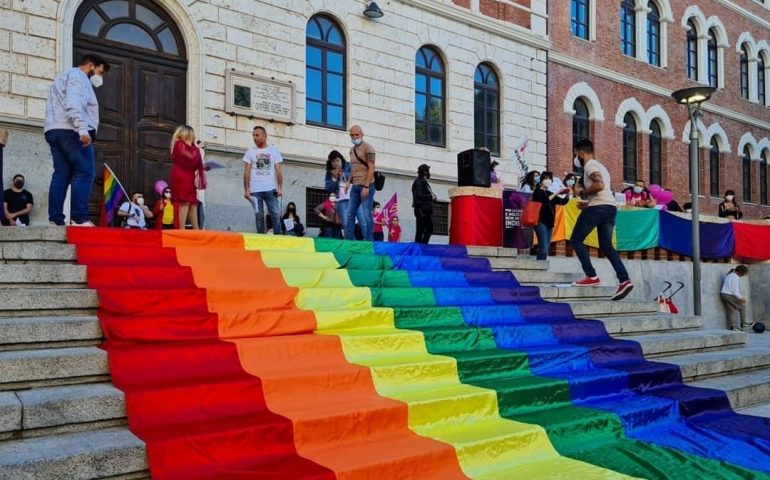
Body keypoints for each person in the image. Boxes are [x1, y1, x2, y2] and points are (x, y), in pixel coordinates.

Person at [44, 53, 110, 226]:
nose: (100, 77)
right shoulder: (79, 77)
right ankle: (79, 218)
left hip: (54, 129)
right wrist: (82, 129)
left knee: (61, 174)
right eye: (100, 72)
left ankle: (55, 219)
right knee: (85, 172)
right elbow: (74, 102)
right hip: (72, 130)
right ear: (90, 66)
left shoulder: (62, 77)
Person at [570, 139, 633, 301]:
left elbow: (599, 185)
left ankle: (591, 276)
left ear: (581, 153)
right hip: (609, 208)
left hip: (598, 208)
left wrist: (583, 192)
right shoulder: (602, 167)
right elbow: (607, 192)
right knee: (606, 245)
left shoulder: (590, 165)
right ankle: (624, 280)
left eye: (576, 154)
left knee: (576, 239)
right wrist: (587, 203)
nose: (576, 158)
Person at [243, 126, 283, 234]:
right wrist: (246, 190)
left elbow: (278, 170)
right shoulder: (250, 152)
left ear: (264, 136)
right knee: (258, 216)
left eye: (257, 135)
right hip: (255, 191)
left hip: (270, 189)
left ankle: (278, 239)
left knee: (275, 214)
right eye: (253, 135)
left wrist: (279, 188)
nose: (254, 138)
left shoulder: (273, 151)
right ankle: (261, 239)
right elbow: (246, 172)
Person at [170, 125, 206, 230]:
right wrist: (198, 149)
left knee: (193, 203)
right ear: (187, 134)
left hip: (189, 176)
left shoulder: (192, 148)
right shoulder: (179, 144)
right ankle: (182, 229)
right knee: (184, 202)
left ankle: (196, 229)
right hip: (182, 175)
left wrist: (204, 167)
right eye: (192, 134)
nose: (194, 136)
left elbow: (194, 162)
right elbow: (190, 158)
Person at [345, 125, 376, 241]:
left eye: (356, 134)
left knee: (367, 214)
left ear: (362, 134)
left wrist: (366, 186)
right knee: (350, 213)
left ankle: (369, 240)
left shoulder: (368, 148)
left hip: (367, 185)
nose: (354, 137)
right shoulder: (351, 150)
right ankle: (348, 239)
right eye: (352, 135)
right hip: (355, 186)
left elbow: (371, 167)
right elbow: (353, 167)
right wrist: (349, 182)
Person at [532, 173, 570, 260]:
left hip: (550, 223)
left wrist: (567, 194)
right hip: (540, 221)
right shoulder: (537, 192)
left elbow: (562, 202)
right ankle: (540, 265)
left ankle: (541, 264)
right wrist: (556, 193)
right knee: (543, 248)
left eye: (550, 179)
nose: (548, 180)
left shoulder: (549, 193)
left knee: (546, 248)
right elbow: (545, 200)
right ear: (541, 181)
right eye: (546, 178)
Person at [720, 265, 752, 331]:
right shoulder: (735, 277)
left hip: (723, 294)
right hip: (728, 295)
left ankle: (733, 327)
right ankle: (743, 323)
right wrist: (740, 298)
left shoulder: (730, 275)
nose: (743, 275)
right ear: (741, 272)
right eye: (744, 273)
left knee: (732, 310)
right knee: (742, 306)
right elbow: (735, 291)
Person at [325, 150, 350, 232]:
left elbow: (354, 177)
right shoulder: (329, 173)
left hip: (353, 198)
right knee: (346, 223)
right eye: (333, 161)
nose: (336, 163)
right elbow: (328, 188)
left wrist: (342, 175)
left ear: (341, 160)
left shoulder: (348, 166)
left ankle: (368, 240)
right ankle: (349, 241)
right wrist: (335, 178)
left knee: (361, 221)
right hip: (341, 200)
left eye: (337, 160)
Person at [412, 163, 436, 244]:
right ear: (425, 172)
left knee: (423, 229)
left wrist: (432, 196)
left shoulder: (424, 182)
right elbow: (419, 195)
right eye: (428, 171)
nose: (430, 173)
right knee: (426, 228)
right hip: (421, 210)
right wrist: (430, 197)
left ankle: (421, 245)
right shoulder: (419, 181)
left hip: (425, 209)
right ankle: (422, 245)